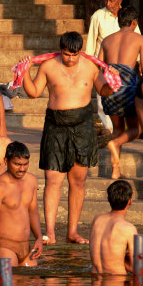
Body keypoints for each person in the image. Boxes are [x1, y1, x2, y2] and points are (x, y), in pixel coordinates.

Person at [21, 32, 115, 245]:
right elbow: (34, 92)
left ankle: (72, 231)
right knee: (53, 180)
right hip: (55, 125)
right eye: (66, 54)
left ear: (79, 52)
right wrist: (25, 73)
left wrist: (112, 80)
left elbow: (104, 90)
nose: (70, 59)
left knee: (78, 181)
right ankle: (51, 233)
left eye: (74, 55)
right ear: (60, 50)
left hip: (82, 126)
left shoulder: (91, 67)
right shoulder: (48, 66)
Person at [86, 0, 141, 131]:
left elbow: (137, 40)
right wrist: (92, 69)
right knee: (103, 104)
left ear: (120, 0)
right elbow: (91, 43)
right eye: (106, 0)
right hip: (105, 68)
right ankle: (110, 134)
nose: (108, 4)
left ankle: (117, 137)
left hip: (128, 71)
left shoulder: (128, 17)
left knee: (127, 107)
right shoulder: (97, 16)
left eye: (111, 1)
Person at [98, 6, 143, 179]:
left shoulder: (107, 40)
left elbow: (99, 66)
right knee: (136, 128)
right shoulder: (139, 39)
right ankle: (114, 143)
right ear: (134, 22)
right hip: (128, 91)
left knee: (118, 128)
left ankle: (115, 171)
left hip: (109, 89)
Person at [0, 142, 43, 267]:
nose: (22, 169)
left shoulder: (32, 181)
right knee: (7, 281)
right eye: (17, 164)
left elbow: (33, 211)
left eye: (25, 164)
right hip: (5, 247)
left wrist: (39, 237)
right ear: (6, 161)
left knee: (32, 280)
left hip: (25, 247)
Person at [90, 180, 137, 274]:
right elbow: (135, 268)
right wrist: (123, 259)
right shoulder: (128, 228)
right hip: (116, 280)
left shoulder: (97, 220)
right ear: (130, 201)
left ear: (108, 198)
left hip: (95, 278)